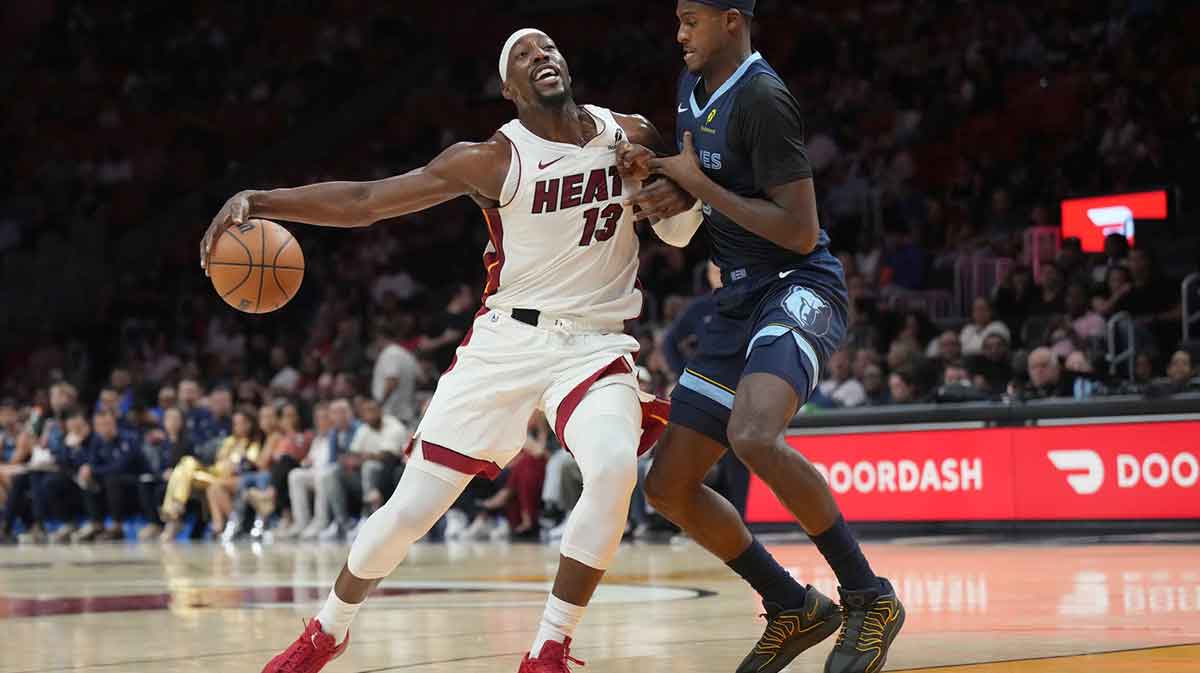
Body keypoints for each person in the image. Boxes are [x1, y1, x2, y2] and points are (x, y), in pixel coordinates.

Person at [201, 28, 691, 673]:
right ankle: (327, 629)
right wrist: (259, 200)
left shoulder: (629, 135)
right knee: (408, 513)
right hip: (507, 342)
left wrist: (665, 194)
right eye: (523, 55)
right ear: (509, 90)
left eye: (548, 48)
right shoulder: (490, 160)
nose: (541, 56)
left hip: (595, 343)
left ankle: (549, 648)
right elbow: (366, 202)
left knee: (612, 470)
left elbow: (681, 235)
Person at [619, 3, 904, 672]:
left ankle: (869, 596)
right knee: (667, 486)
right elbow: (715, 186)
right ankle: (791, 604)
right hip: (739, 296)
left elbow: (800, 231)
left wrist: (693, 184)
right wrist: (674, 192)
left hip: (799, 282)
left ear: (731, 21)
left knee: (752, 435)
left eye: (690, 20)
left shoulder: (763, 97)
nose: (679, 33)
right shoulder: (694, 92)